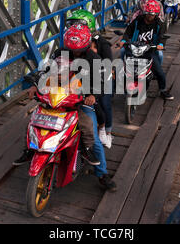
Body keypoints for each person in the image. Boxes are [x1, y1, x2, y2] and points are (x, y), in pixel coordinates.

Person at [13, 24, 117, 192]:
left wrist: (92, 96)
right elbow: (44, 71)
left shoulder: (94, 59)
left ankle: (101, 172)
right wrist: (34, 85)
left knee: (91, 131)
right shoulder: (59, 54)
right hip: (55, 98)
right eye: (71, 49)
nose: (74, 53)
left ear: (86, 46)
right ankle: (30, 149)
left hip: (79, 102)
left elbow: (100, 82)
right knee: (34, 121)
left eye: (78, 50)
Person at [66, 9, 114, 149]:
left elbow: (107, 64)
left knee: (104, 103)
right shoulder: (74, 42)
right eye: (71, 25)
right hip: (82, 79)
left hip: (101, 76)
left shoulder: (102, 44)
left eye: (77, 25)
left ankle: (106, 131)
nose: (73, 28)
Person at [118, 0, 174, 100]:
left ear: (156, 14)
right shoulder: (137, 20)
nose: (149, 16)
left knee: (160, 72)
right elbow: (128, 32)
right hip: (135, 47)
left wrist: (160, 44)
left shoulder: (159, 23)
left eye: (152, 15)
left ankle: (163, 90)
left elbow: (162, 36)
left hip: (149, 50)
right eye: (148, 14)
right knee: (122, 55)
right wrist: (123, 40)